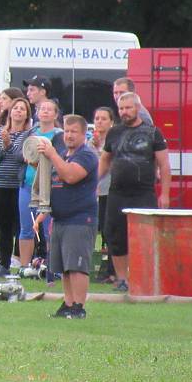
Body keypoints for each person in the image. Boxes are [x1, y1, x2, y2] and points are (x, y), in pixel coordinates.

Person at [98, 92, 170, 292]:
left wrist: (164, 194)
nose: (124, 112)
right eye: (121, 108)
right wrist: (95, 181)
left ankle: (144, 278)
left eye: (128, 108)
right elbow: (105, 159)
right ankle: (122, 279)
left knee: (145, 237)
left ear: (138, 108)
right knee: (115, 235)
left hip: (144, 193)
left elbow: (164, 165)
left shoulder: (153, 132)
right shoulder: (114, 133)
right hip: (117, 193)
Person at [35, 115, 99, 319]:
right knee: (63, 266)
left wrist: (52, 154)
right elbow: (53, 184)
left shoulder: (87, 155)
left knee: (77, 265)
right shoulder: (63, 154)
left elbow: (70, 176)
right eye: (66, 131)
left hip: (79, 218)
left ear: (83, 134)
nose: (69, 136)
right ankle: (68, 303)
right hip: (60, 219)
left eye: (74, 132)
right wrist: (43, 213)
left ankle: (79, 307)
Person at [19, 99, 63, 271]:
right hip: (28, 183)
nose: (44, 112)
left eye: (49, 109)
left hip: (49, 186)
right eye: (41, 109)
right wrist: (26, 157)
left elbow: (60, 158)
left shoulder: (59, 135)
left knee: (49, 228)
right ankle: (24, 266)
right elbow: (19, 154)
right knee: (26, 227)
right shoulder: (30, 132)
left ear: (56, 114)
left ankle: (53, 267)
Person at [0, 97, 31, 275]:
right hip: (1, 182)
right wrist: (4, 147)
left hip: (19, 183)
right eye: (16, 108)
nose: (19, 111)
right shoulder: (0, 131)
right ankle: (4, 261)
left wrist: (9, 145)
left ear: (27, 114)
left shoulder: (29, 134)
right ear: (10, 112)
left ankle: (21, 261)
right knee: (3, 225)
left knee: (20, 224)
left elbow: (23, 157)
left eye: (23, 109)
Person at [88, 106, 115, 283]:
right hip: (93, 191)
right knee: (95, 229)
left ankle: (111, 269)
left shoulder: (114, 140)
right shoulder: (89, 142)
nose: (99, 122)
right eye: (97, 118)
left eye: (103, 118)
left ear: (111, 122)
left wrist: (99, 150)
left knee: (109, 230)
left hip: (110, 190)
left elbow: (110, 164)